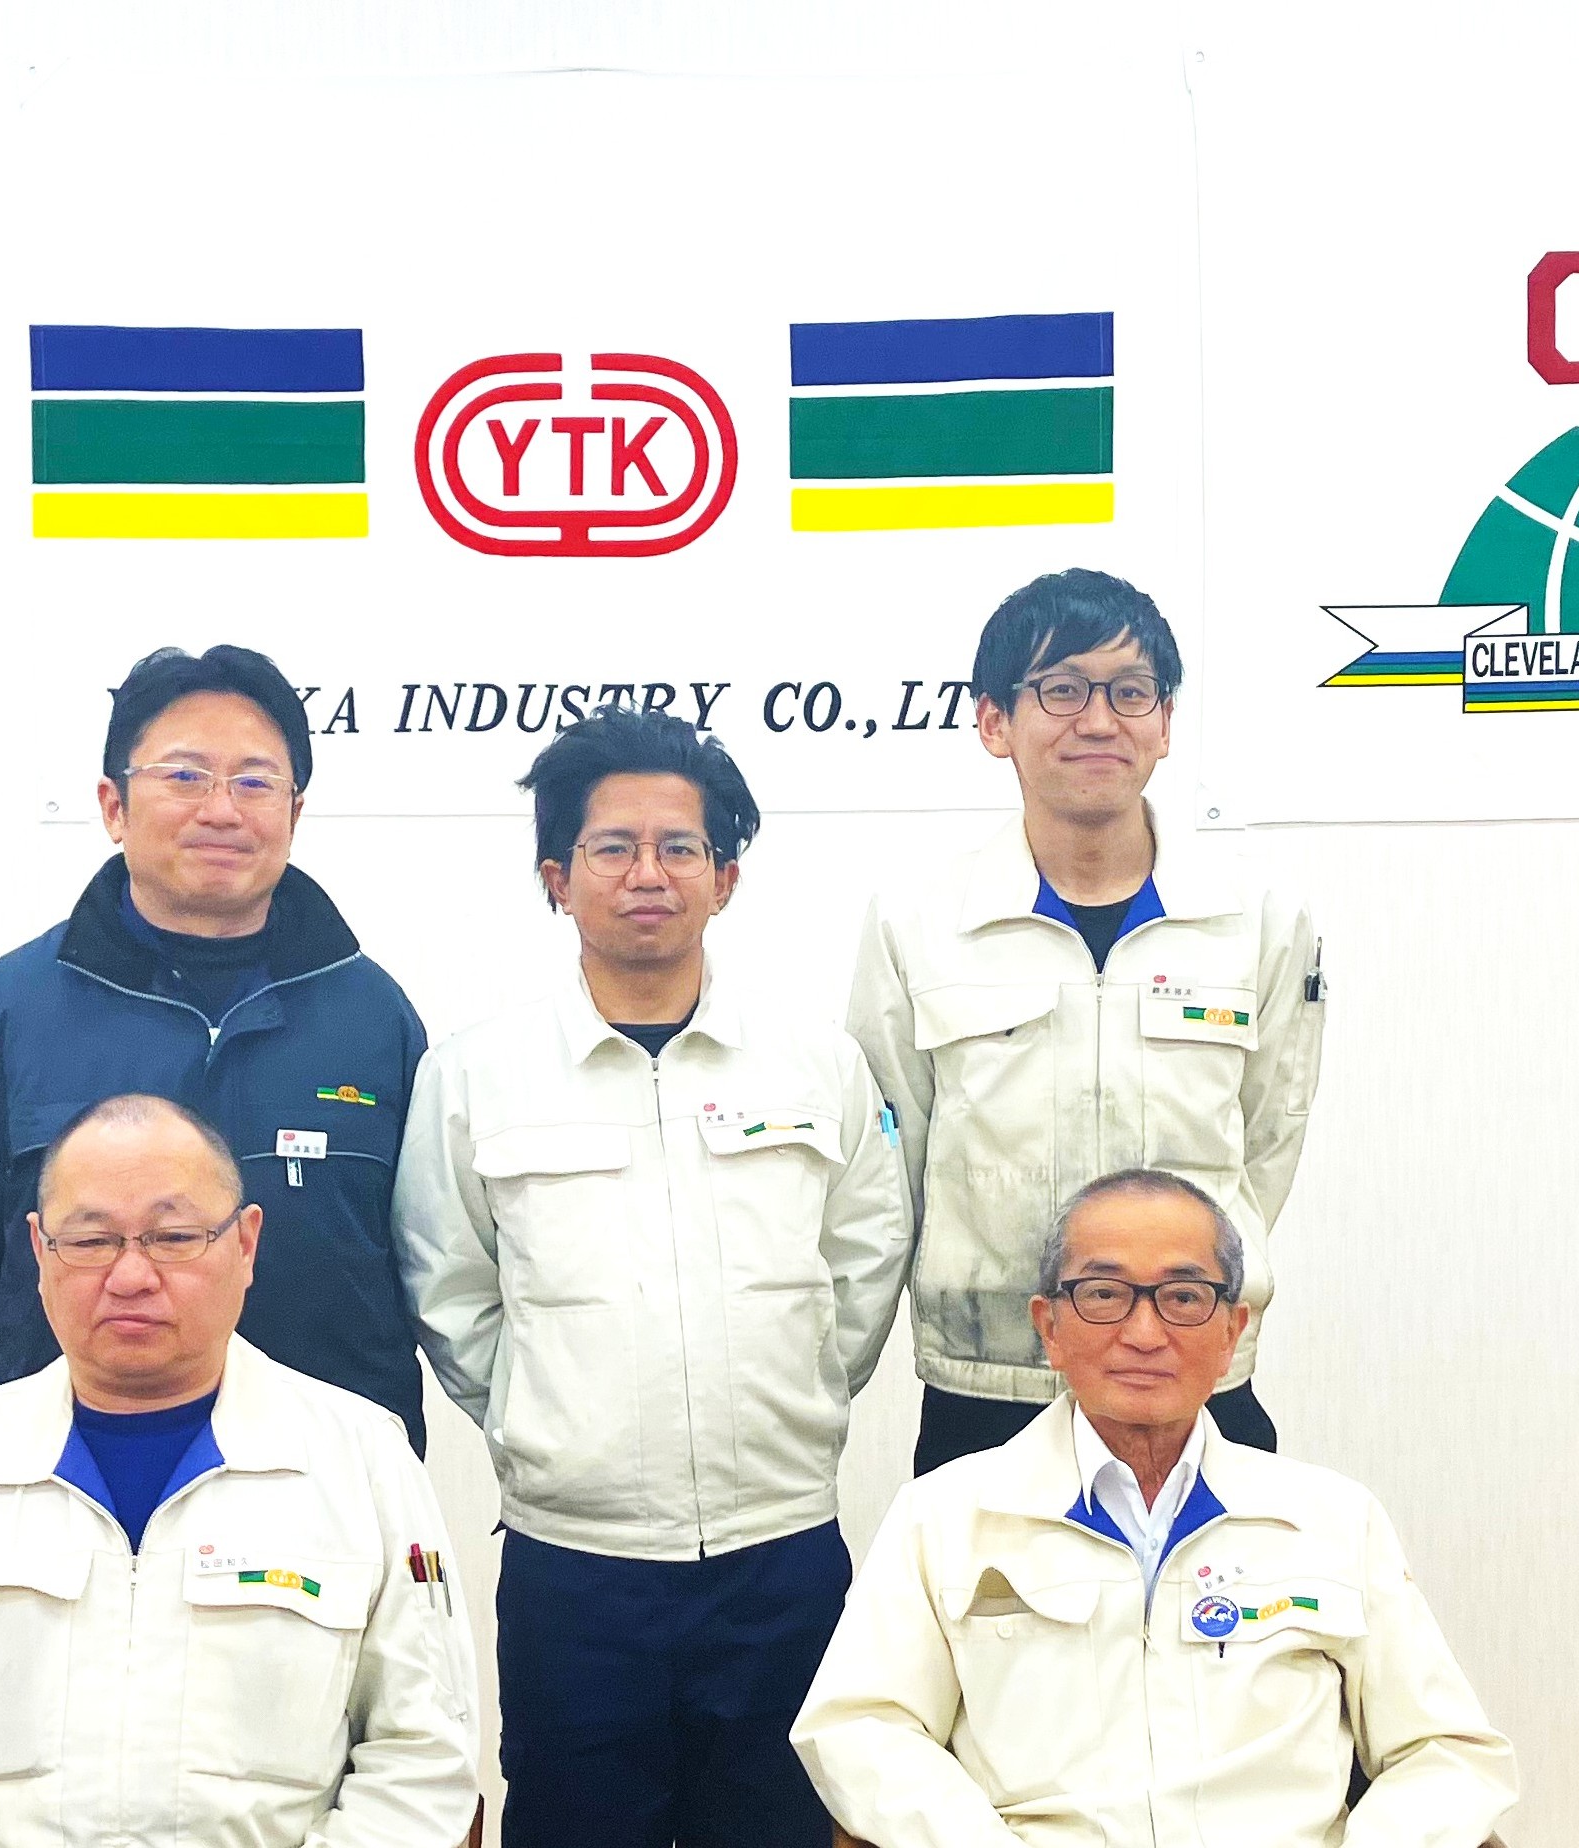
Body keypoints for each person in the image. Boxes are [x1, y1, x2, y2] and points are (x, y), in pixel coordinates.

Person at [395, 708, 914, 1848]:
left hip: (779, 1550)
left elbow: (864, 1259)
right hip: (574, 1569)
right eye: (612, 847)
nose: (648, 874)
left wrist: (793, 1391)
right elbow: (450, 1288)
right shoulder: (475, 1075)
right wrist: (543, 1418)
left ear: (724, 879)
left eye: (681, 847)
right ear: (556, 879)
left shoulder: (814, 1064)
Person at [0, 1094, 481, 1848]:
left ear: (246, 1244)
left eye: (173, 1236)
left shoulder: (362, 1459)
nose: (130, 1275)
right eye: (90, 1240)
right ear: (40, 1253)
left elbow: (423, 1759)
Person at [790, 1170, 1517, 1848]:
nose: (1144, 1334)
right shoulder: (944, 1517)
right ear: (1049, 1327)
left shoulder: (1332, 1519)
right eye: (1104, 1294)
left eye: (1184, 1297)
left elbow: (1446, 1751)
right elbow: (859, 1729)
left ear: (1232, 1332)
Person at [850, 568, 1326, 1475]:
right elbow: (889, 1161)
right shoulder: (917, 921)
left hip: (1194, 1379)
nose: (1100, 721)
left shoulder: (1258, 916)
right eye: (1062, 690)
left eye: (1130, 692)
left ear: (1165, 722)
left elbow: (1268, 1139)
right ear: (995, 722)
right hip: (988, 1386)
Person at [0, 645, 434, 1448]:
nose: (221, 811)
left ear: (294, 813)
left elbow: (425, 1260)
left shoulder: (373, 1018)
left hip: (326, 1469)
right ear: (114, 806)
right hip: (64, 1465)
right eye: (185, 776)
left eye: (255, 782)